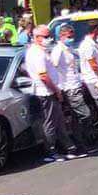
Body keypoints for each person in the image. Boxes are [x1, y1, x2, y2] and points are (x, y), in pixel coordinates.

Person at [26, 25, 84, 161]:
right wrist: (56, 90)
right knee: (50, 123)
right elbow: (43, 76)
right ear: (36, 38)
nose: (49, 39)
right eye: (46, 37)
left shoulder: (42, 51)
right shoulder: (37, 54)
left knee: (59, 121)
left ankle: (68, 148)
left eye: (50, 35)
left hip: (51, 91)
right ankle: (50, 151)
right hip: (46, 92)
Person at [51, 24, 94, 151]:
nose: (72, 38)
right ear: (62, 35)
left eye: (73, 35)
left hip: (76, 84)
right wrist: (59, 86)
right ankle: (78, 140)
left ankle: (80, 142)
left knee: (77, 117)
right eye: (70, 36)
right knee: (85, 114)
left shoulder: (69, 49)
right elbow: (53, 67)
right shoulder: (58, 50)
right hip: (69, 88)